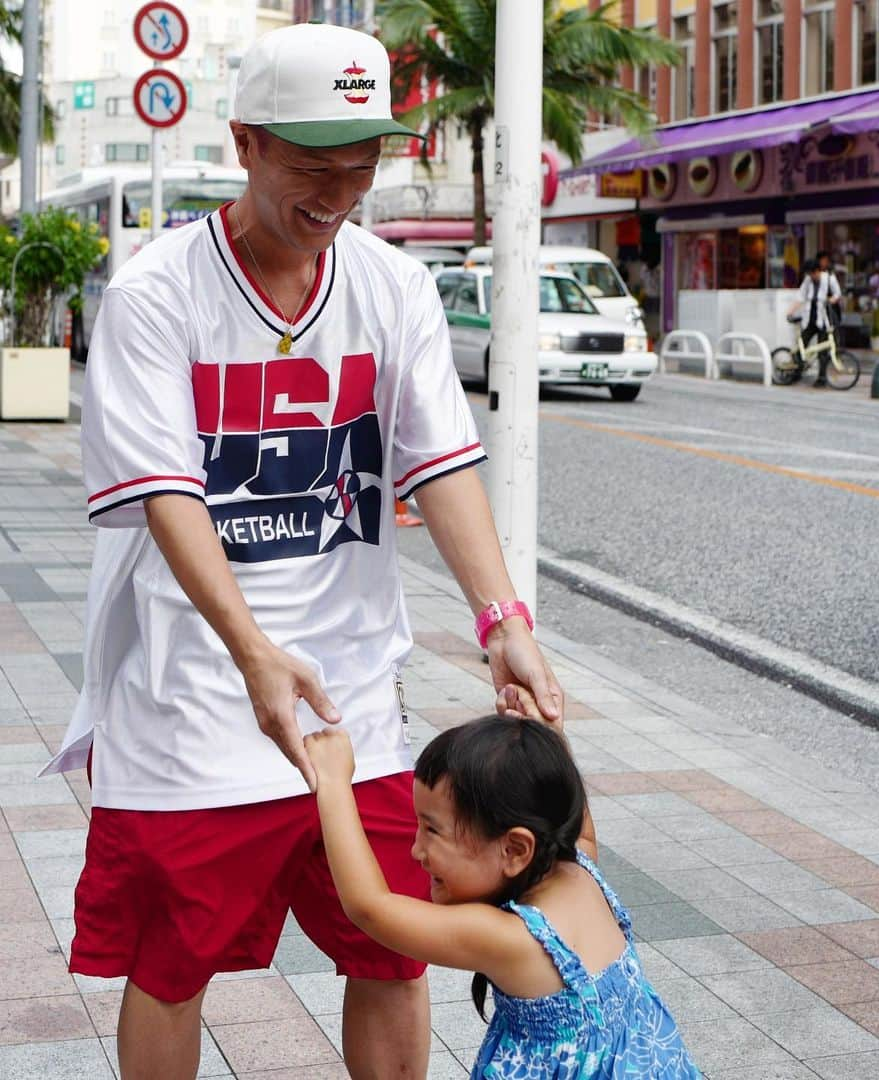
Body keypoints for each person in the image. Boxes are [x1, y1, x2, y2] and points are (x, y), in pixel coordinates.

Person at [42, 22, 562, 1080]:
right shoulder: (156, 295)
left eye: (362, 162)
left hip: (353, 704)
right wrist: (251, 654)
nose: (340, 191)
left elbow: (440, 464)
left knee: (392, 954)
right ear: (245, 144)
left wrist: (502, 621)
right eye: (313, 166)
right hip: (190, 699)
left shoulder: (392, 287)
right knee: (170, 962)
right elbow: (169, 497)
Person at [303, 706, 702, 1079]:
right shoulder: (583, 870)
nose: (416, 850)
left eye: (432, 830)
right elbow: (576, 823)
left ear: (514, 849)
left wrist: (335, 785)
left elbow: (370, 908)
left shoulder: (512, 938)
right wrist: (548, 739)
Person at [789, 260, 835, 387]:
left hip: (823, 320)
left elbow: (837, 295)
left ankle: (821, 378)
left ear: (817, 271)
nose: (811, 276)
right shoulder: (808, 281)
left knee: (823, 352)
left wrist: (829, 300)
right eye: (809, 274)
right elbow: (800, 297)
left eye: (812, 273)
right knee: (802, 346)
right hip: (809, 319)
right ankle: (796, 373)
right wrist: (790, 312)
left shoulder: (829, 279)